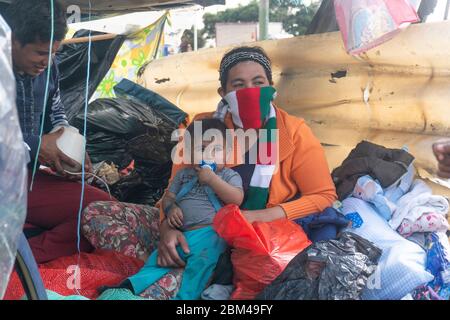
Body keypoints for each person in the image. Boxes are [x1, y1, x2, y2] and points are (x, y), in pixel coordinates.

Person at [82, 46, 337, 299]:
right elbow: (174, 188)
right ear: (223, 93)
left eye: (258, 82)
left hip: (238, 242)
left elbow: (323, 195)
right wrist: (166, 229)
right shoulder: (205, 126)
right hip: (185, 225)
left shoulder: (293, 132)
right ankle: (167, 260)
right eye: (238, 84)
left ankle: (184, 271)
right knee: (96, 212)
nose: (249, 91)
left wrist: (258, 215)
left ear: (271, 87)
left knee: (166, 287)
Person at [5, 0, 112, 263]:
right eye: (41, 53)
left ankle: (24, 262)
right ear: (13, 41)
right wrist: (36, 144)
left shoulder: (48, 68)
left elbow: (56, 109)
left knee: (102, 210)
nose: (47, 61)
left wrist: (68, 146)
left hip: (26, 181)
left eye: (53, 52)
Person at [114, 119, 243, 299]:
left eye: (216, 150)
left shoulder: (228, 175)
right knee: (157, 260)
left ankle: (187, 297)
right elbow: (169, 197)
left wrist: (213, 180)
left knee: (201, 266)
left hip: (210, 234)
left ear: (228, 153)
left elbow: (236, 199)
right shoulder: (184, 175)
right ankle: (130, 286)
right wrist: (171, 208)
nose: (208, 155)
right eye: (201, 149)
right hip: (181, 233)